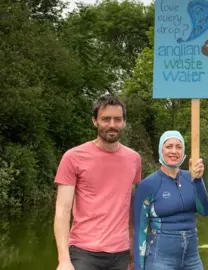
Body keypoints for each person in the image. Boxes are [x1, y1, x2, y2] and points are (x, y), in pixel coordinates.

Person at [53, 93, 142, 270]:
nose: (112, 125)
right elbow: (62, 211)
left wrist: (133, 246)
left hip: (120, 253)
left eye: (117, 119)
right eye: (105, 119)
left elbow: (130, 205)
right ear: (95, 121)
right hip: (84, 252)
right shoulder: (73, 157)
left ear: (124, 122)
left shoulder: (134, 159)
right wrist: (63, 259)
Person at [132, 130, 208, 270]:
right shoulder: (147, 185)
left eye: (178, 147)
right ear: (160, 150)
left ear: (183, 151)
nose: (174, 151)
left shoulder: (193, 178)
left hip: (192, 257)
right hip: (160, 258)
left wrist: (198, 180)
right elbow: (140, 231)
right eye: (169, 146)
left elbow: (204, 211)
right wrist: (138, 267)